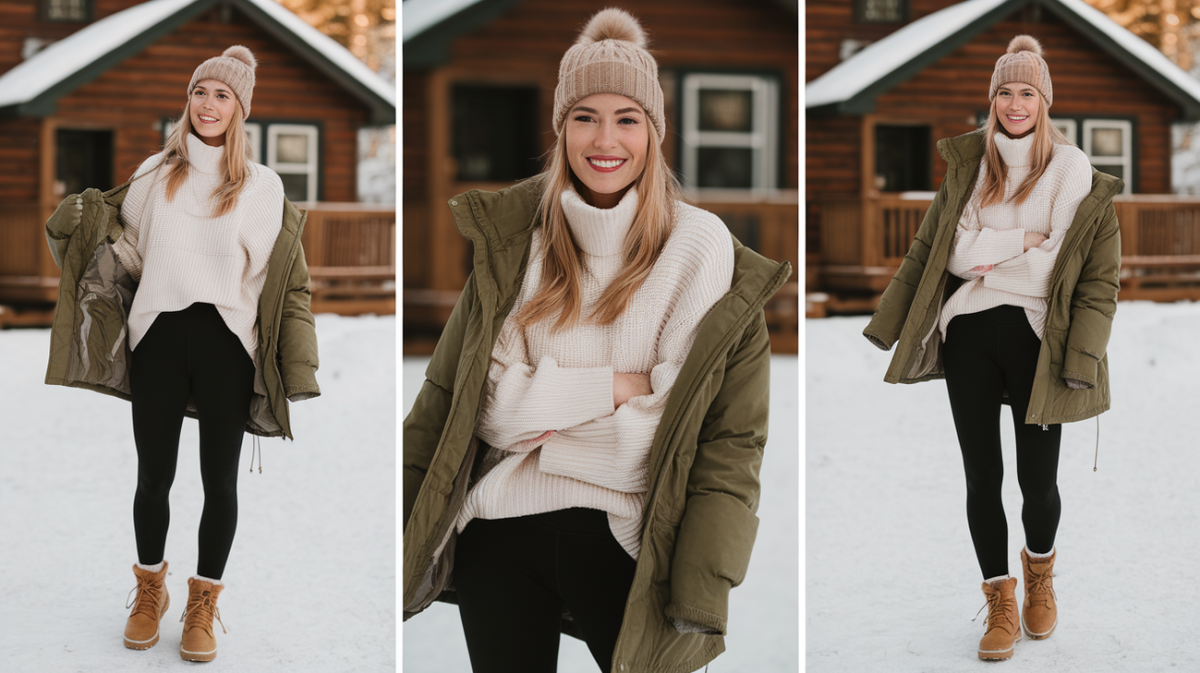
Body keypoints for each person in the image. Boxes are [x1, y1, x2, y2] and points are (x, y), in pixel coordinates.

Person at [401, 8, 791, 673]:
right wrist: (614, 387)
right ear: (560, 129)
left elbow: (670, 431)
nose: (604, 139)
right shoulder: (517, 244)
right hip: (498, 531)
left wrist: (543, 406)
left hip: (627, 544)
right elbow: (490, 407)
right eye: (584, 116)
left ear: (655, 132)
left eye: (626, 118)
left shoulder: (699, 248)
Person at [43, 46, 320, 662]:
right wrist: (88, 235)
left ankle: (204, 603)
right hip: (160, 338)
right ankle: (150, 592)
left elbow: (275, 280)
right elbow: (131, 252)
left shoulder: (261, 186)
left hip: (227, 343)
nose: (209, 104)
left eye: (223, 95)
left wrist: (288, 361)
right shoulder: (152, 174)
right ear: (188, 100)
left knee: (219, 481)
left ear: (240, 109)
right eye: (201, 91)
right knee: (153, 477)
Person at [863, 35, 1121, 661]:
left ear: (1044, 100)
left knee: (1038, 482)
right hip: (968, 332)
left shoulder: (1071, 170)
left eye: (1026, 91)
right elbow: (949, 252)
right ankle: (1000, 600)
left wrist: (991, 252)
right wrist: (1018, 244)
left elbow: (1068, 272)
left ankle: (1039, 578)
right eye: (1004, 91)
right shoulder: (970, 169)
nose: (1013, 103)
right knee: (983, 476)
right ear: (992, 99)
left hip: (1040, 338)